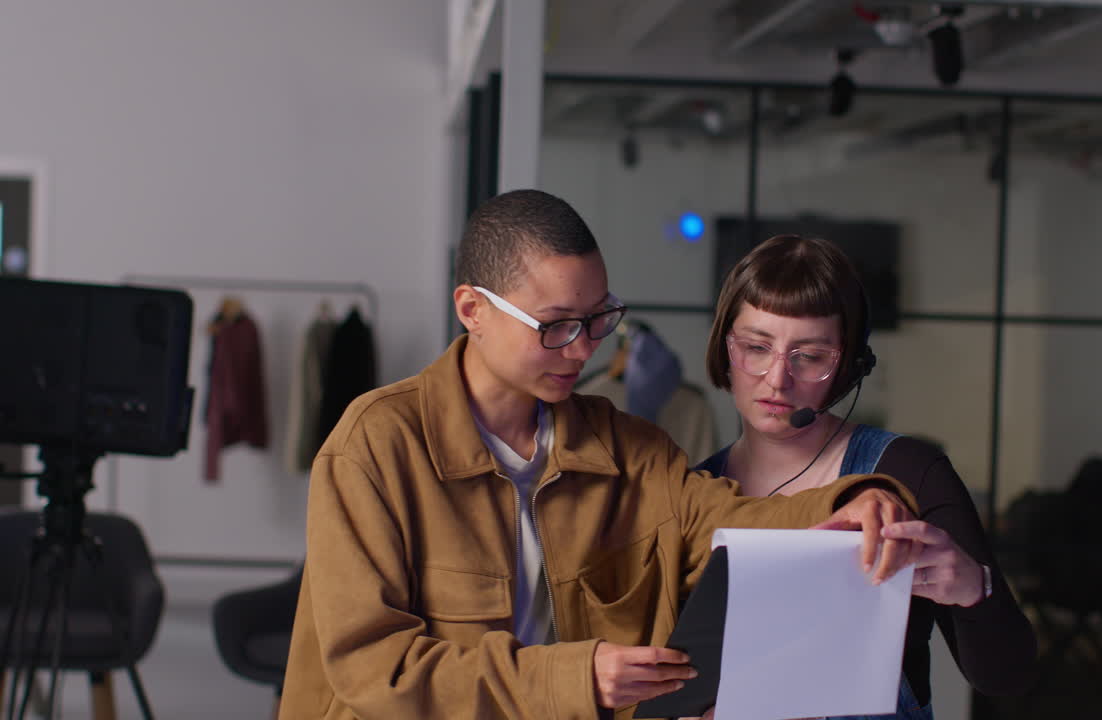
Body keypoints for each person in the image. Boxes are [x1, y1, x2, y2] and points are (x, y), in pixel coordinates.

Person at [278, 190, 923, 720]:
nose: (584, 350)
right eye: (556, 325)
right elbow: (374, 670)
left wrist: (853, 502)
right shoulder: (375, 447)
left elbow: (730, 519)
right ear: (473, 309)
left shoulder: (626, 449)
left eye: (598, 319)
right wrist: (573, 677)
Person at [693, 234, 1037, 719]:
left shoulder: (910, 472)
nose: (777, 378)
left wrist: (972, 588)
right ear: (725, 347)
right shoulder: (693, 490)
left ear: (849, 367)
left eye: (809, 357)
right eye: (756, 347)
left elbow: (1009, 676)